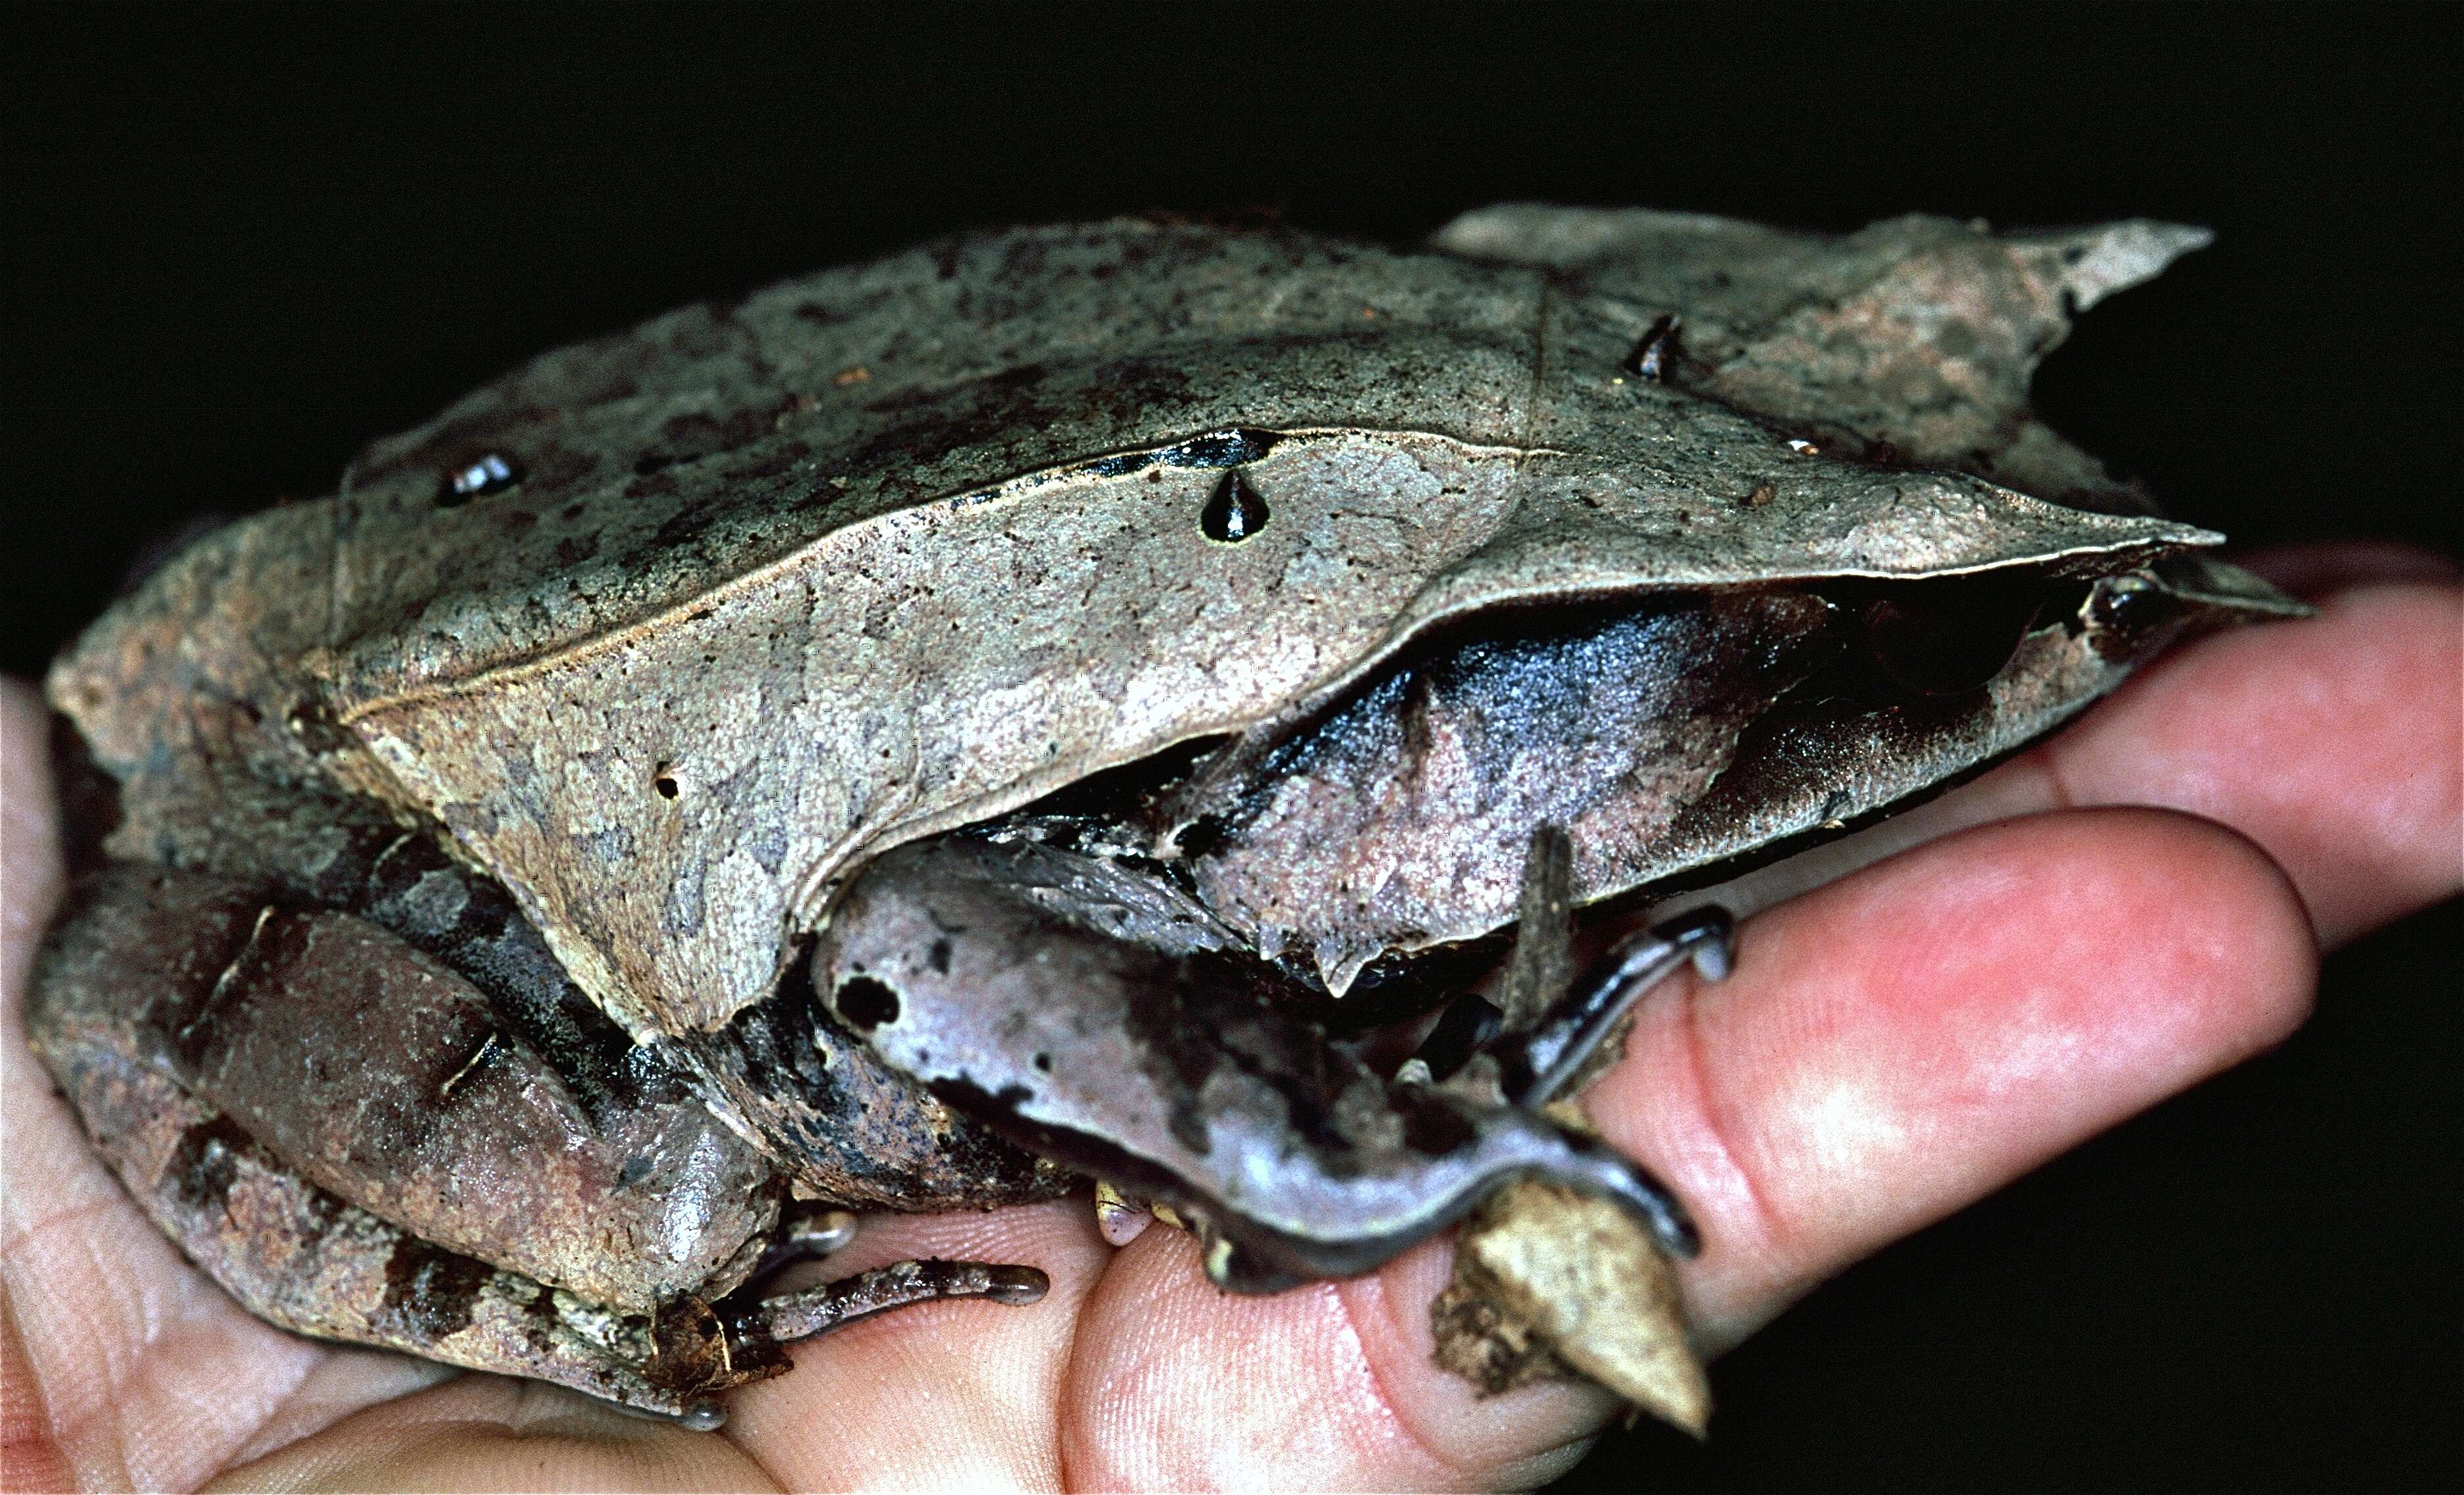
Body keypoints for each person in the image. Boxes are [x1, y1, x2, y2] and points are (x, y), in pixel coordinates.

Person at [1, 546, 2453, 1491]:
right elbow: (904, 945)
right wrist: (1350, 1147)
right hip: (470, 869)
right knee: (654, 1205)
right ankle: (589, 1298)